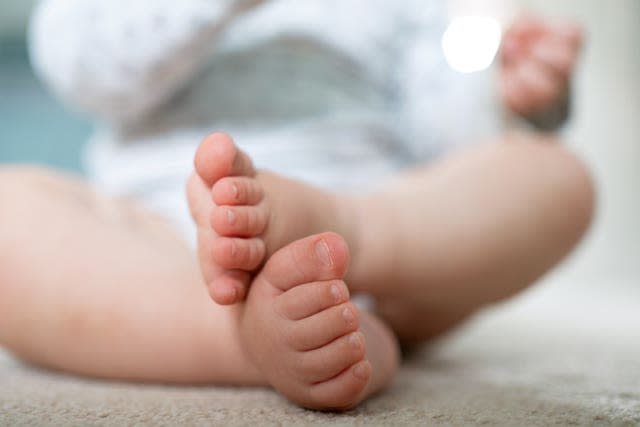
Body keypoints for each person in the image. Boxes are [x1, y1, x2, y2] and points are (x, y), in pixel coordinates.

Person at [0, 0, 592, 410]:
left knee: (554, 174)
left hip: (379, 242)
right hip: (166, 248)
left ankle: (344, 241)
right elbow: (78, 65)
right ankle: (245, 339)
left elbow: (436, 134)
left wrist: (501, 91)